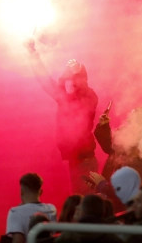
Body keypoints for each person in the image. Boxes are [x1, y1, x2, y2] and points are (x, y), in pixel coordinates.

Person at [25, 39, 98, 195]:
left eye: (74, 79)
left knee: (86, 201)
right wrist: (33, 53)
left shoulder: (89, 95)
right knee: (78, 202)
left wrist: (69, 75)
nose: (71, 83)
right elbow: (44, 80)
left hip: (86, 161)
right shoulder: (66, 98)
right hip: (74, 159)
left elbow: (80, 93)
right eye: (70, 80)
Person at [6, 173, 57, 243]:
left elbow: (18, 240)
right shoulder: (52, 209)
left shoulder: (15, 212)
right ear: (41, 192)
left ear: (21, 192)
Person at [56, 194, 122, 243]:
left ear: (84, 210)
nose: (77, 208)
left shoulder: (68, 237)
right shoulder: (112, 237)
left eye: (81, 205)